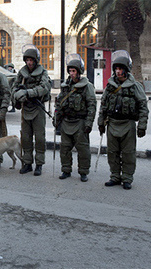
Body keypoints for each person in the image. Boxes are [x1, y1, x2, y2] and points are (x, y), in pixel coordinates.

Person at [97, 50, 149, 190]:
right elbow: (103, 105)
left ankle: (127, 178)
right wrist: (100, 122)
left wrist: (142, 126)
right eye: (117, 69)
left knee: (128, 153)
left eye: (121, 69)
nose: (118, 71)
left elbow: (143, 106)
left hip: (128, 124)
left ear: (126, 70)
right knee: (112, 152)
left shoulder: (135, 86)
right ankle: (115, 176)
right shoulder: (110, 86)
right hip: (112, 123)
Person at [54, 54, 96, 182]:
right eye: (70, 71)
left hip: (80, 122)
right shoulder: (66, 86)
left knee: (83, 149)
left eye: (74, 71)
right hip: (67, 121)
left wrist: (89, 123)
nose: (71, 74)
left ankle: (83, 172)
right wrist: (57, 119)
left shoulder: (87, 86)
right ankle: (66, 170)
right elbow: (59, 103)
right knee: (65, 148)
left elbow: (91, 106)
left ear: (79, 72)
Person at [13, 44, 51, 176]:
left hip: (37, 108)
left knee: (40, 138)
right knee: (26, 138)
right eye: (27, 60)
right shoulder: (22, 72)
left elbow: (44, 87)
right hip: (25, 109)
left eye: (31, 60)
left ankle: (39, 164)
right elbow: (14, 87)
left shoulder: (43, 72)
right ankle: (27, 163)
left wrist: (28, 93)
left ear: (36, 61)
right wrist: (17, 96)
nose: (29, 63)